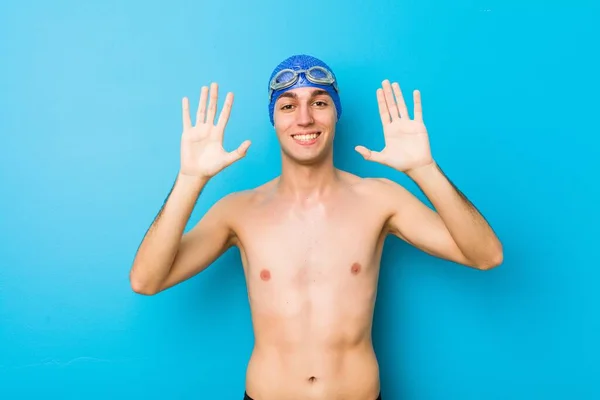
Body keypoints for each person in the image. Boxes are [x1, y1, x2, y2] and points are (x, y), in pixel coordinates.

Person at [129, 54, 503, 400]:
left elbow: (485, 255)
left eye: (319, 103)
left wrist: (424, 170)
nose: (304, 119)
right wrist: (190, 179)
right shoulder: (238, 211)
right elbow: (146, 280)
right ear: (273, 119)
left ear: (335, 114)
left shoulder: (381, 200)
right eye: (288, 105)